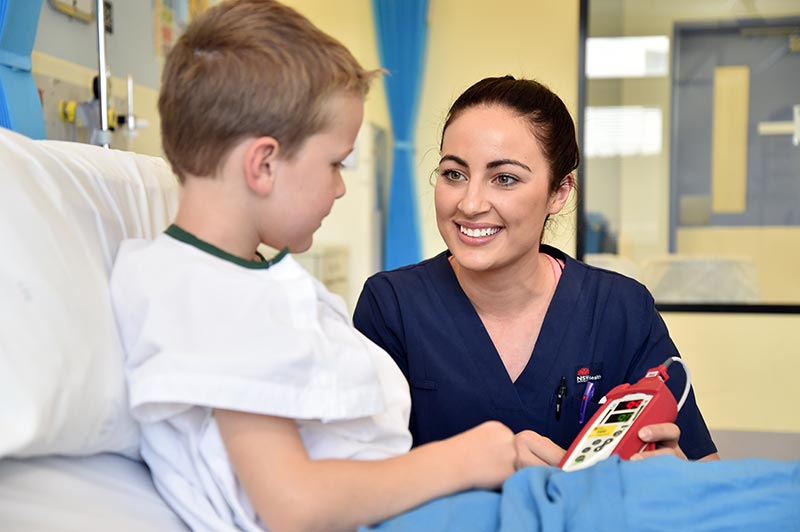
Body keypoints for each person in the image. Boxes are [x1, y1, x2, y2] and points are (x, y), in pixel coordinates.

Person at [109, 3, 518, 531]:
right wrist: (467, 459)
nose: (341, 186)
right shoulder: (209, 296)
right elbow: (294, 504)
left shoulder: (232, 278)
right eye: (334, 164)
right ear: (263, 164)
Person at [353, 75, 720, 467]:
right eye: (454, 174)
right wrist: (481, 466)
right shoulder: (392, 306)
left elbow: (703, 468)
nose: (471, 203)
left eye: (505, 178)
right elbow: (354, 481)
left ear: (559, 192)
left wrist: (671, 472)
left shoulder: (619, 308)